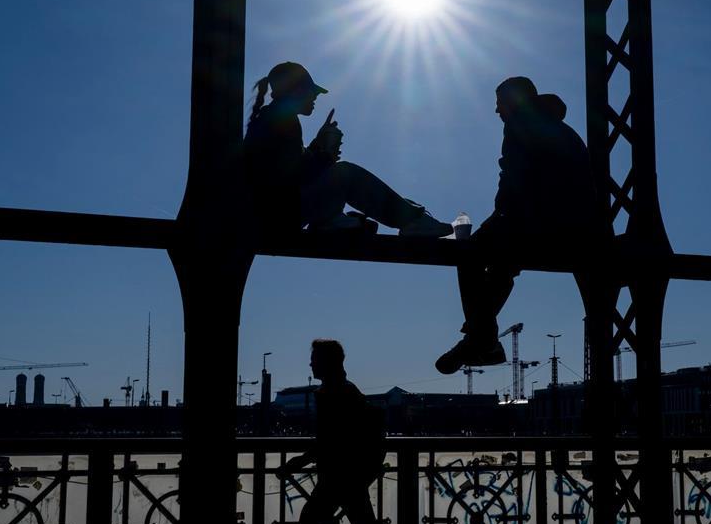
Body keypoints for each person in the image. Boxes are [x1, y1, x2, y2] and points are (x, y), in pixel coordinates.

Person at [435, 76, 599, 374]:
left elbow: (514, 182)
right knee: (500, 265)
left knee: (467, 250)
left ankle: (481, 338)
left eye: (499, 104)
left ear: (513, 103)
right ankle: (480, 339)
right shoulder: (558, 128)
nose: (497, 111)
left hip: (542, 223)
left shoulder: (520, 125)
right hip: (575, 229)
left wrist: (495, 221)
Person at [244, 62, 452, 238]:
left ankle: (336, 219)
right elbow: (288, 179)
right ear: (296, 91)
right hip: (279, 218)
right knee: (346, 173)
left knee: (343, 175)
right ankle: (411, 220)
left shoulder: (272, 118)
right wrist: (325, 157)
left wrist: (317, 145)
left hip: (274, 216)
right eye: (312, 92)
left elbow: (289, 167)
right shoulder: (282, 121)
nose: (315, 98)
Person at [276, 339, 400, 524]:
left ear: (326, 362)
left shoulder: (334, 393)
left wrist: (300, 461)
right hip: (350, 476)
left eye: (315, 359)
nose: (310, 363)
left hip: (337, 478)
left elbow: (330, 440)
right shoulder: (346, 390)